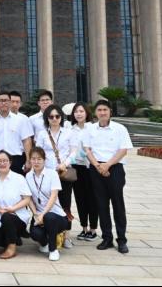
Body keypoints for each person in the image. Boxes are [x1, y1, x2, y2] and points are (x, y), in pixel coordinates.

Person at [83, 100, 134, 254]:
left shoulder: (120, 128)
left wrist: (108, 165)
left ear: (110, 111)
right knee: (101, 205)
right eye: (99, 110)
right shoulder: (90, 129)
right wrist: (98, 166)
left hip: (115, 169)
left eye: (105, 109)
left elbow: (123, 150)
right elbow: (87, 150)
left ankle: (122, 239)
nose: (102, 112)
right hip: (96, 169)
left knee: (118, 205)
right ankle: (107, 238)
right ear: (95, 112)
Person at [33, 104, 75, 239]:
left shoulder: (68, 132)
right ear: (47, 118)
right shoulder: (42, 134)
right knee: (49, 202)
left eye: (57, 116)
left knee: (65, 204)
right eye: (51, 117)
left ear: (61, 117)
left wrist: (64, 164)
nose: (54, 119)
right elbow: (39, 152)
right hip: (47, 174)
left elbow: (74, 152)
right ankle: (50, 231)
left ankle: (66, 235)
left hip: (63, 173)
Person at [25, 147, 69, 261]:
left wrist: (43, 214)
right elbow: (29, 198)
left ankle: (53, 250)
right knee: (34, 233)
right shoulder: (28, 176)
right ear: (30, 160)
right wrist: (35, 214)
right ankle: (45, 243)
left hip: (57, 216)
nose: (36, 162)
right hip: (39, 215)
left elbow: (54, 196)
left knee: (49, 217)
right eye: (33, 159)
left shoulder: (52, 174)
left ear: (44, 160)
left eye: (39, 159)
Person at [0, 150, 32, 259]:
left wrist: (12, 209)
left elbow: (27, 199)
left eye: (5, 160)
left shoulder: (19, 178)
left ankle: (12, 247)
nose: (2, 163)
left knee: (7, 217)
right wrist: (0, 211)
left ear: (10, 162)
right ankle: (14, 238)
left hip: (17, 217)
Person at [68, 102, 98, 241]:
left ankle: (93, 229)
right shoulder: (70, 129)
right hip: (76, 167)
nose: (78, 114)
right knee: (80, 198)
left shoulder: (93, 128)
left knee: (92, 198)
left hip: (90, 167)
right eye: (76, 111)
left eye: (81, 111)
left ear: (86, 113)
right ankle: (84, 228)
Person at [0, 90, 33, 176]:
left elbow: (26, 141)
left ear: (10, 102)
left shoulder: (20, 120)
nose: (3, 103)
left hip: (16, 159)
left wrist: (28, 160)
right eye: (1, 100)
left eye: (6, 100)